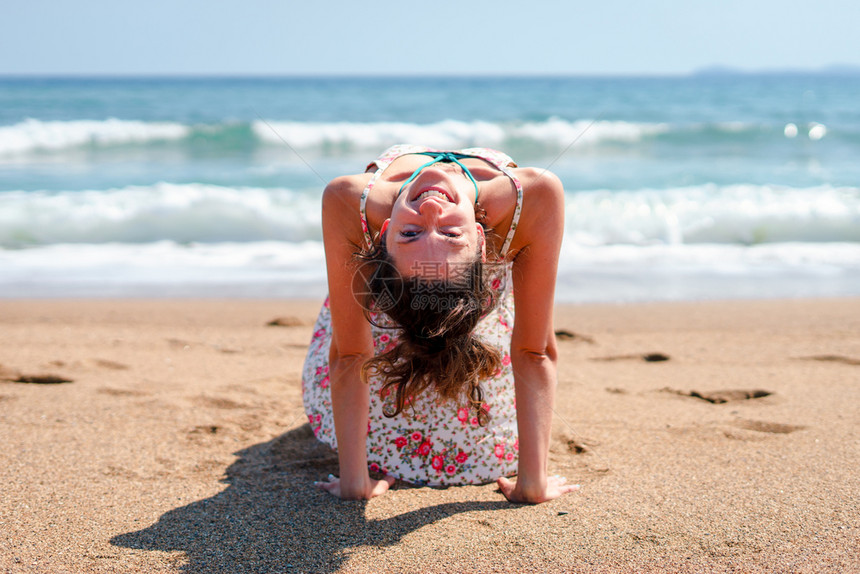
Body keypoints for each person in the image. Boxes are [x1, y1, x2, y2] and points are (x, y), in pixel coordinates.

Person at [301, 144, 576, 504]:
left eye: (410, 232)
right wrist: (532, 483)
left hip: (462, 307)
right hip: (400, 307)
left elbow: (351, 352)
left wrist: (355, 482)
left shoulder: (349, 199)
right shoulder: (534, 193)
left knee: (419, 280)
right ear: (478, 239)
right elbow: (533, 350)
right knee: (413, 281)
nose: (431, 208)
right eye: (449, 233)